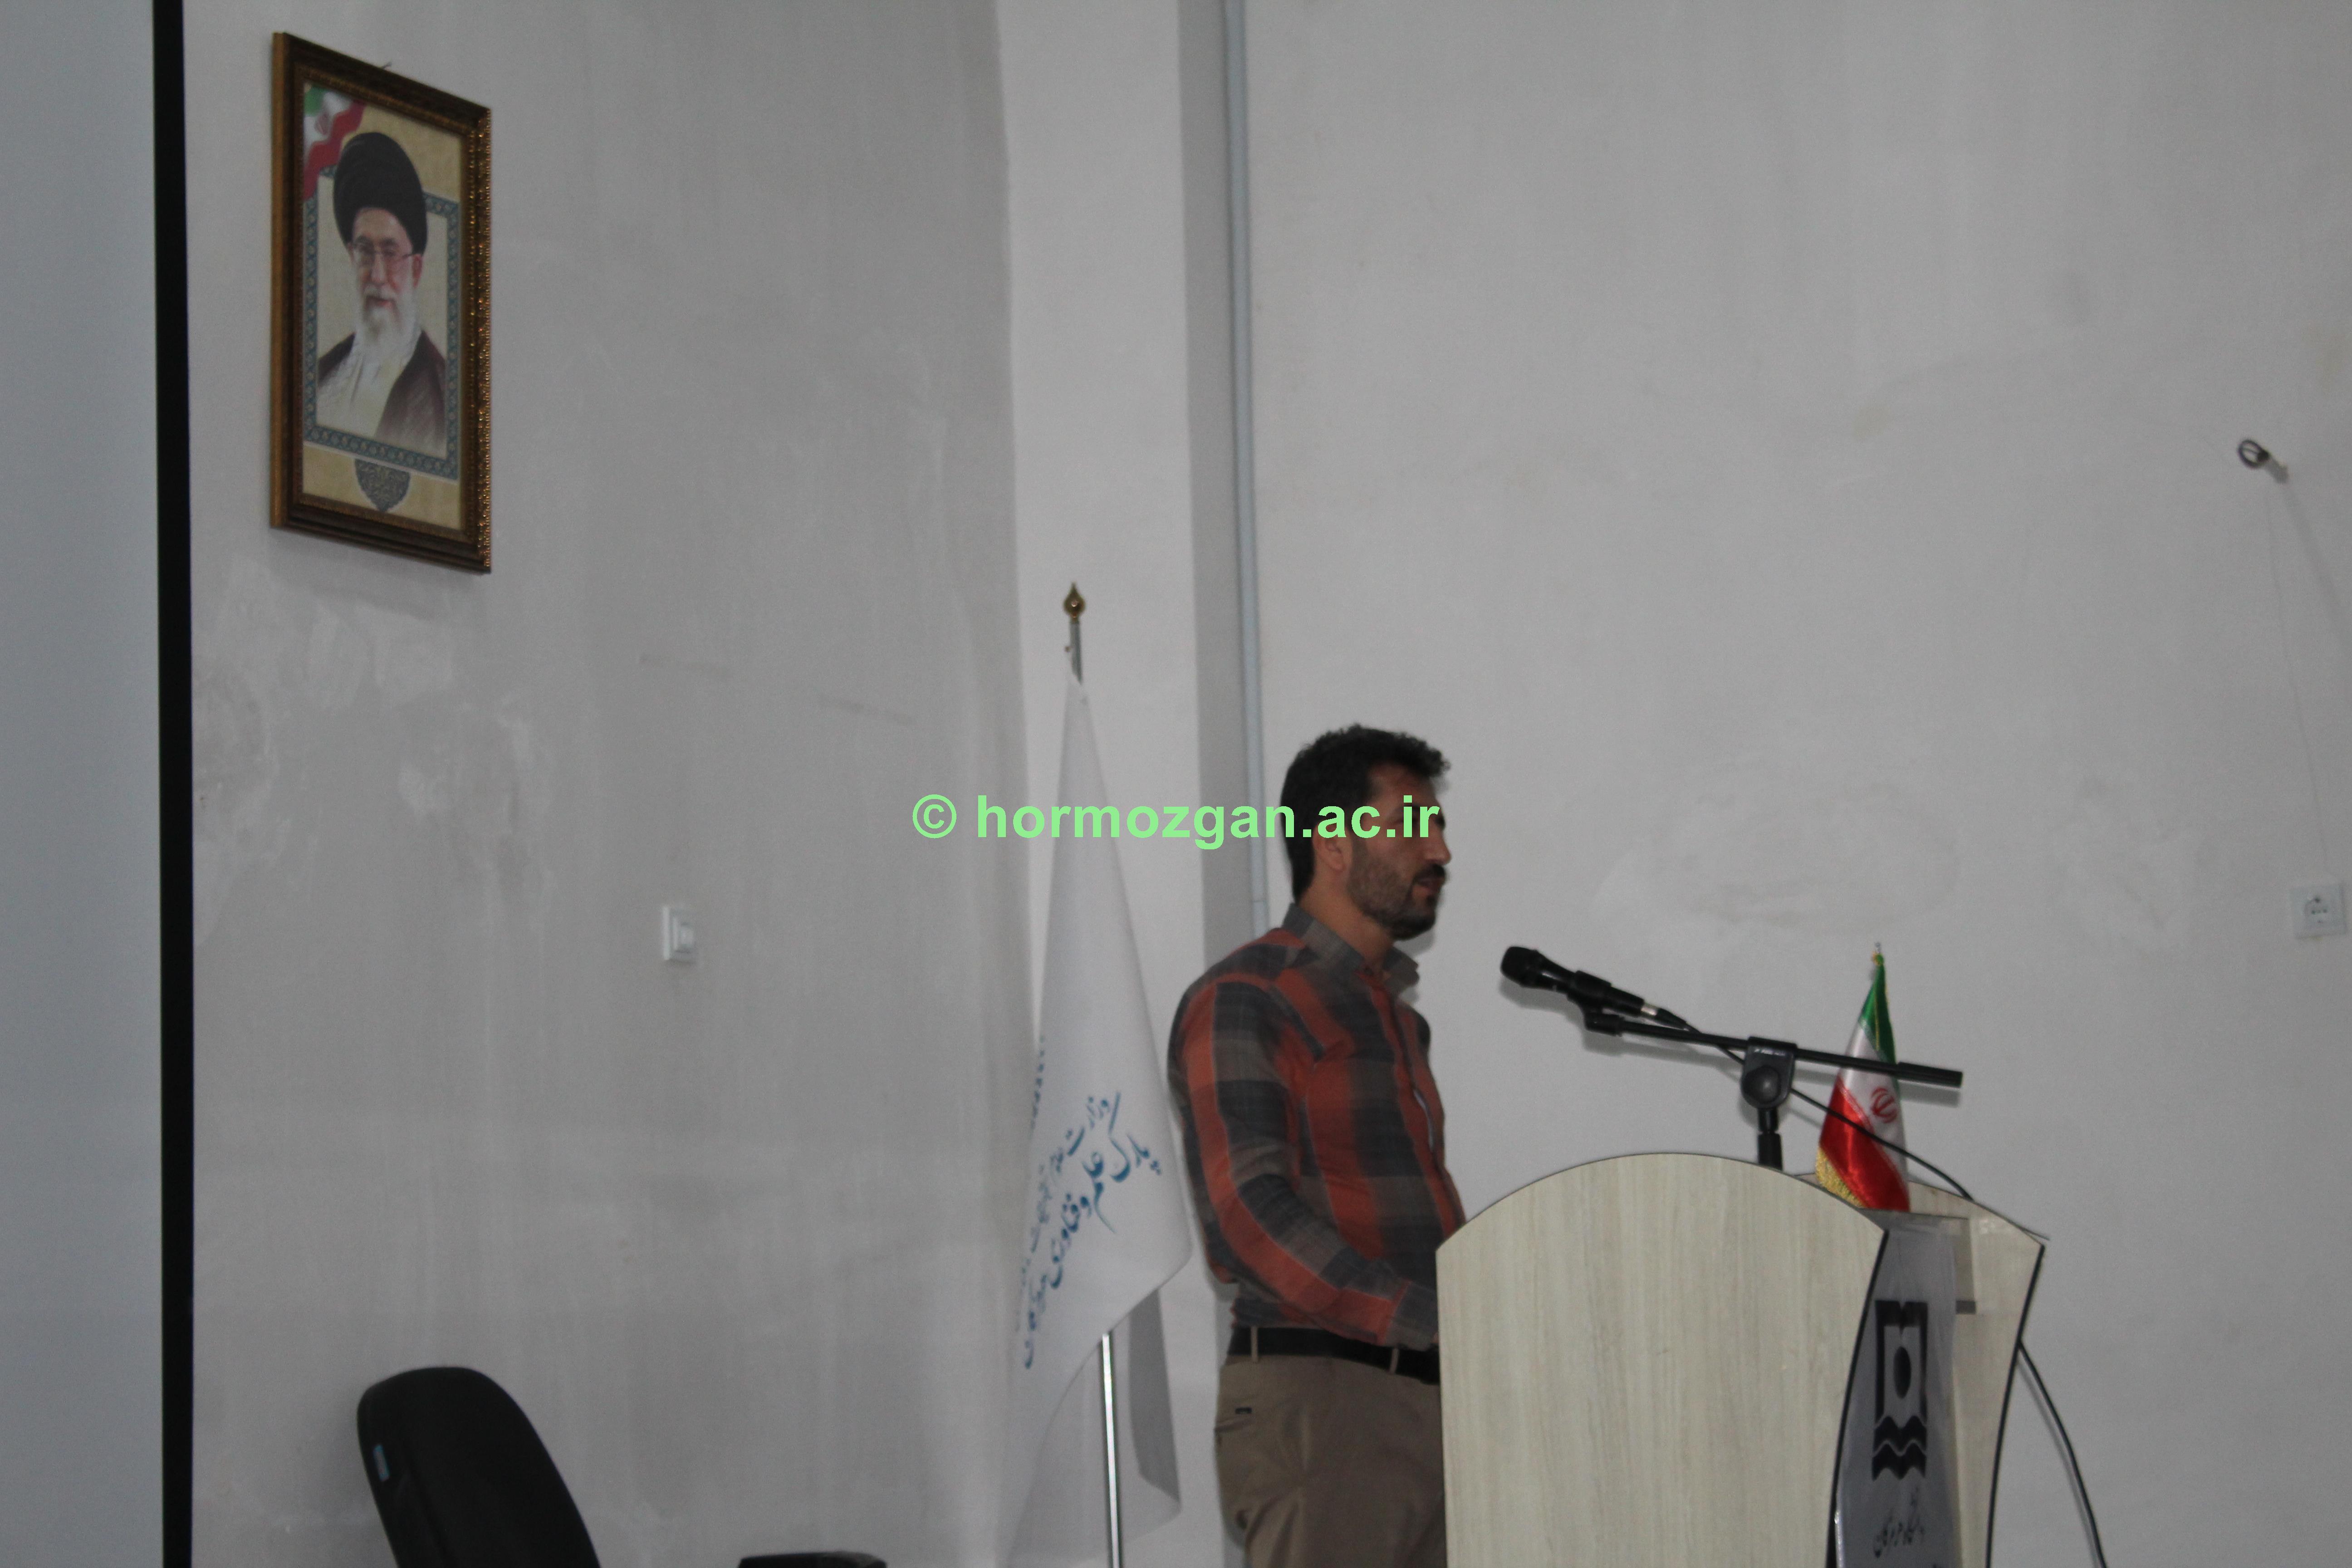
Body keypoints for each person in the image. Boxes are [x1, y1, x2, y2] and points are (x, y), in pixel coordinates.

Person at [1167, 725, 1464, 1568]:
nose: (1439, 850)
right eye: (1414, 825)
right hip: (1325, 1398)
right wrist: (1431, 1319)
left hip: (1432, 1397)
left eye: (1440, 828)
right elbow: (1250, 1217)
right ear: (1333, 843)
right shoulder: (1248, 995)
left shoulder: (1395, 1018)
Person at [315, 130, 447, 456]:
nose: (376, 276)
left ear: (416, 269)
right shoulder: (323, 376)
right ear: (351, 256)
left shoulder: (442, 396)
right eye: (365, 251)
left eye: (390, 253)